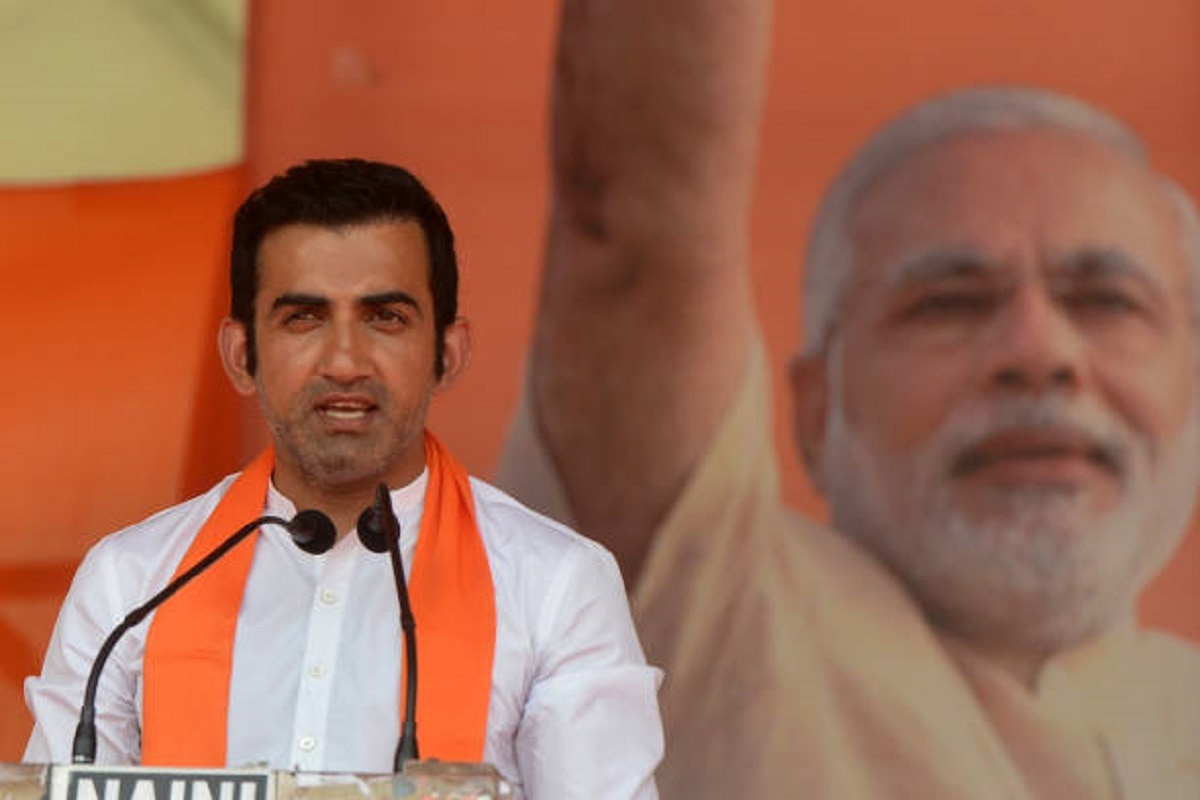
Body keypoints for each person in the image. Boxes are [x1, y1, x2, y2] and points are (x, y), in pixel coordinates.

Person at [496, 1, 1200, 797]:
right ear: (816, 410)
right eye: (950, 302)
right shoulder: (710, 618)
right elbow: (634, 230)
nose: (1038, 352)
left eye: (1107, 300)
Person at [24, 158, 663, 800]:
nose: (345, 361)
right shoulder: (133, 584)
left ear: (449, 352)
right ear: (242, 355)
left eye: (385, 317)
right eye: (304, 318)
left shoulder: (553, 586)